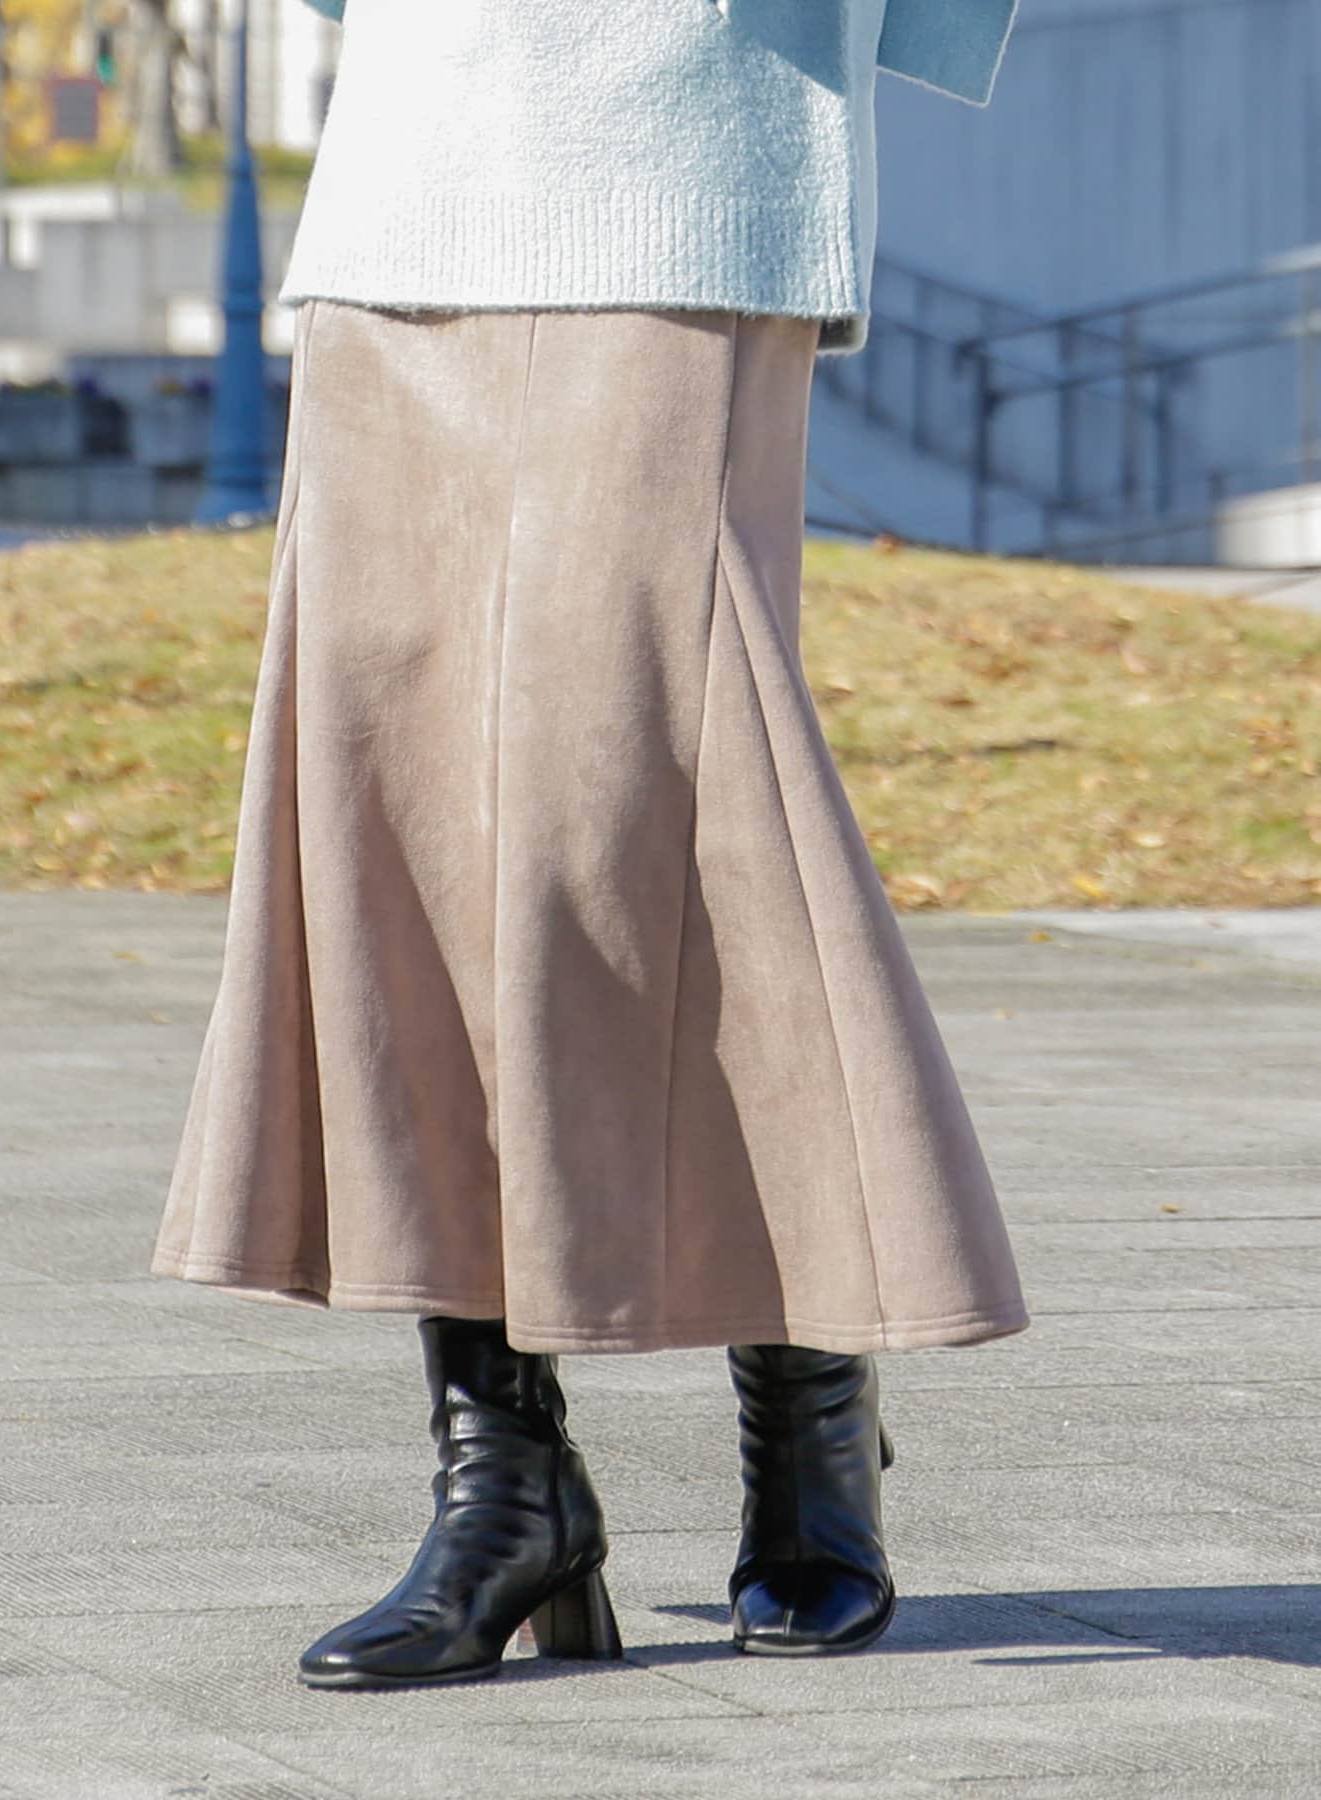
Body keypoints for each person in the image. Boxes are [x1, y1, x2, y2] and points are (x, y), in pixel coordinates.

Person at [150, 0, 1028, 1689]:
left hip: (686, 140)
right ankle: (505, 1481)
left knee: (685, 799)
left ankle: (810, 1402)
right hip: (410, 169)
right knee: (402, 805)